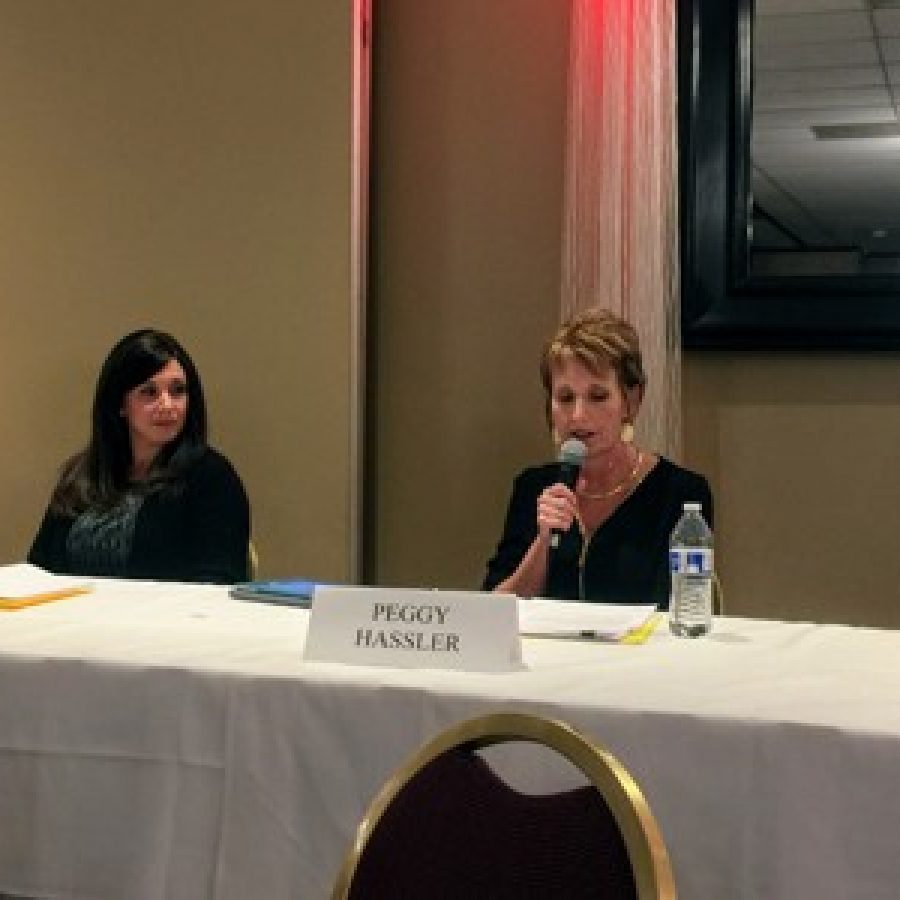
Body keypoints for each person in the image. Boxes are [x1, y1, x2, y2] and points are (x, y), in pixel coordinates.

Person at [482, 308, 712, 607]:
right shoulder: (533, 487)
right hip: (547, 654)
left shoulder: (681, 494)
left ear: (631, 400)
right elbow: (495, 610)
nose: (577, 416)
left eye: (598, 396)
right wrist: (542, 542)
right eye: (565, 398)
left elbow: (678, 612)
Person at [28, 329, 250, 584]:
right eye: (149, 392)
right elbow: (39, 573)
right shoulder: (84, 475)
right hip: (71, 621)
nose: (167, 405)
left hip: (167, 621)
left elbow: (217, 581)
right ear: (119, 404)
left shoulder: (211, 478)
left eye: (178, 391)